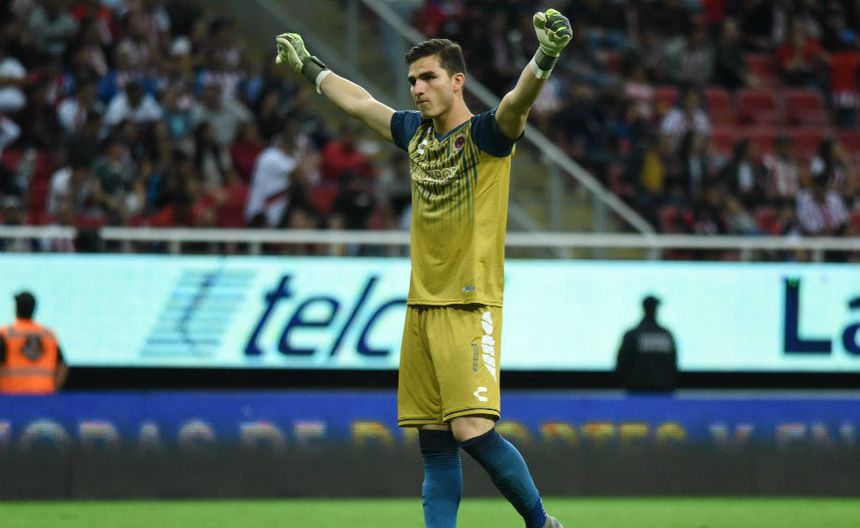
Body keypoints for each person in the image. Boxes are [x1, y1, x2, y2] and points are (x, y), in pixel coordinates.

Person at [274, 9, 572, 528]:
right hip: (421, 308)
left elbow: (516, 102)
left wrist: (544, 56)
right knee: (434, 444)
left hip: (468, 303)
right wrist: (310, 67)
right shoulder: (415, 133)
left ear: (457, 81)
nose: (416, 89)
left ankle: (541, 523)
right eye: (412, 80)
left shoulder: (487, 136)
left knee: (472, 429)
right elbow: (360, 103)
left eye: (428, 77)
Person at [0, 291, 68, 394]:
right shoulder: (48, 335)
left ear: (16, 308)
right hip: (43, 394)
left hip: (11, 395)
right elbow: (62, 365)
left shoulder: (5, 334)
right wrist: (54, 388)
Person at [615, 295, 678, 393]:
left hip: (636, 392)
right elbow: (673, 365)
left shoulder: (632, 335)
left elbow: (622, 364)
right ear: (656, 310)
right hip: (662, 391)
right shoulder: (666, 335)